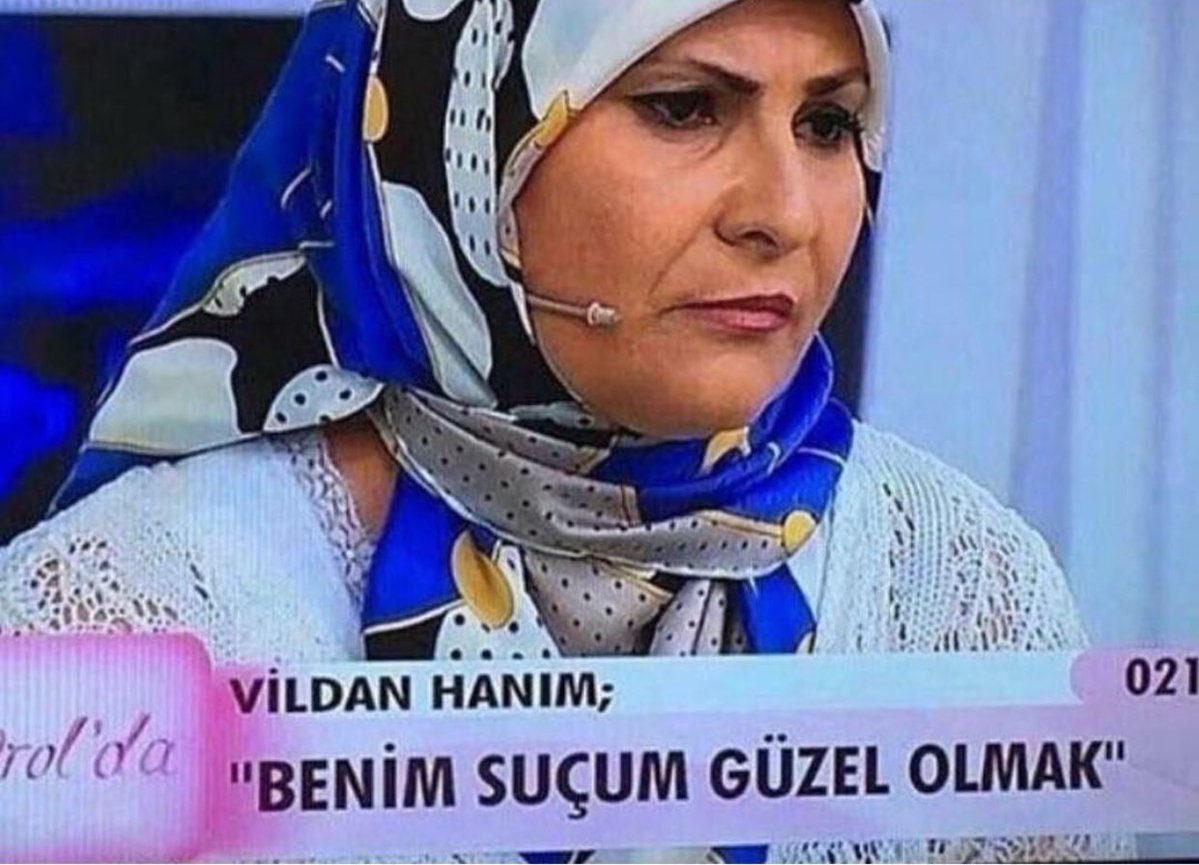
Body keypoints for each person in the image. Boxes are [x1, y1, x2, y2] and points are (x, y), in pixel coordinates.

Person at [0, 0, 1130, 860]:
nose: (786, 214)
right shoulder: (133, 619)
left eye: (828, 123)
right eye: (684, 108)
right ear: (457, 131)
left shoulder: (964, 592)